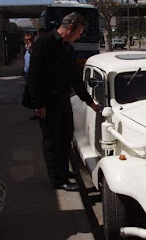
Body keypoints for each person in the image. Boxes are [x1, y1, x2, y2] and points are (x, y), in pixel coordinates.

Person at [28, 12, 99, 191]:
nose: (79, 36)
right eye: (79, 32)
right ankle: (57, 180)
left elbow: (76, 79)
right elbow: (34, 76)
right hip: (47, 102)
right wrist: (38, 104)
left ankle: (63, 171)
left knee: (65, 137)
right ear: (70, 28)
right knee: (52, 141)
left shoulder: (68, 49)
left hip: (62, 100)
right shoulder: (43, 44)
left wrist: (90, 102)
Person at [23, 33, 38, 120]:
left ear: (33, 39)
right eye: (27, 40)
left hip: (34, 75)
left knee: (36, 94)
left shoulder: (35, 49)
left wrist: (31, 49)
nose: (28, 41)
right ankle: (36, 112)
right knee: (31, 95)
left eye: (30, 39)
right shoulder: (26, 50)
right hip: (27, 75)